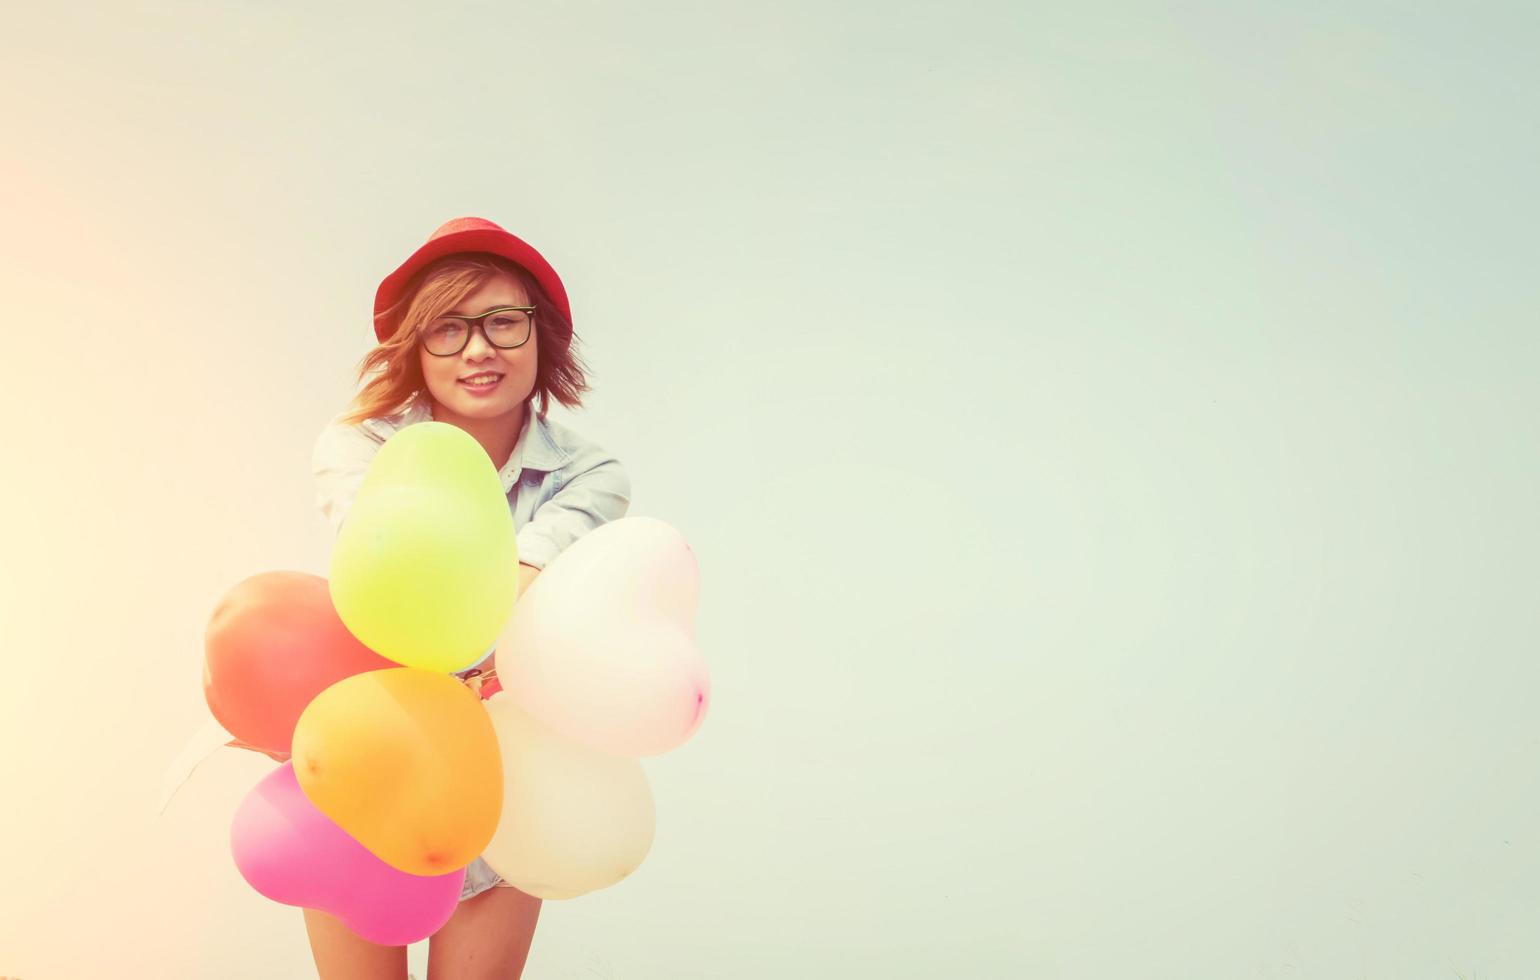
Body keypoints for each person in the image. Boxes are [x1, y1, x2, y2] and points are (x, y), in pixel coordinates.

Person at [305, 217, 631, 979]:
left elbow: (511, 590)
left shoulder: (590, 475)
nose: (479, 349)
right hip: (369, 760)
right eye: (448, 329)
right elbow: (394, 577)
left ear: (542, 336)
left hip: (505, 780)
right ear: (415, 349)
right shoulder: (358, 446)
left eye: (502, 323)